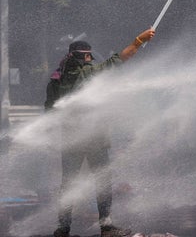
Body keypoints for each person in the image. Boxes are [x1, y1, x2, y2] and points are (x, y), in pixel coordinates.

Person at [46, 28, 155, 237]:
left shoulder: (56, 81)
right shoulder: (92, 73)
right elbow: (123, 57)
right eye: (88, 56)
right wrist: (139, 40)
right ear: (84, 57)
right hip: (95, 140)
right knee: (102, 182)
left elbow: (49, 113)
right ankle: (106, 226)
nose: (90, 59)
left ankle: (62, 228)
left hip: (70, 141)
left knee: (68, 184)